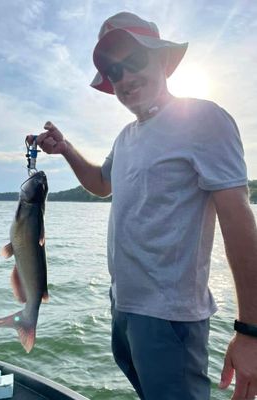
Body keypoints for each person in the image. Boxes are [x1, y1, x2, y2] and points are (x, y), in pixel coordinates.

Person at [28, 12, 257, 400]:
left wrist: (250, 330)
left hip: (170, 319)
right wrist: (65, 149)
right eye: (114, 71)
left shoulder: (204, 119)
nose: (124, 78)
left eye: (134, 61)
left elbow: (240, 222)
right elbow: (102, 184)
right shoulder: (126, 137)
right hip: (123, 307)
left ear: (162, 60)